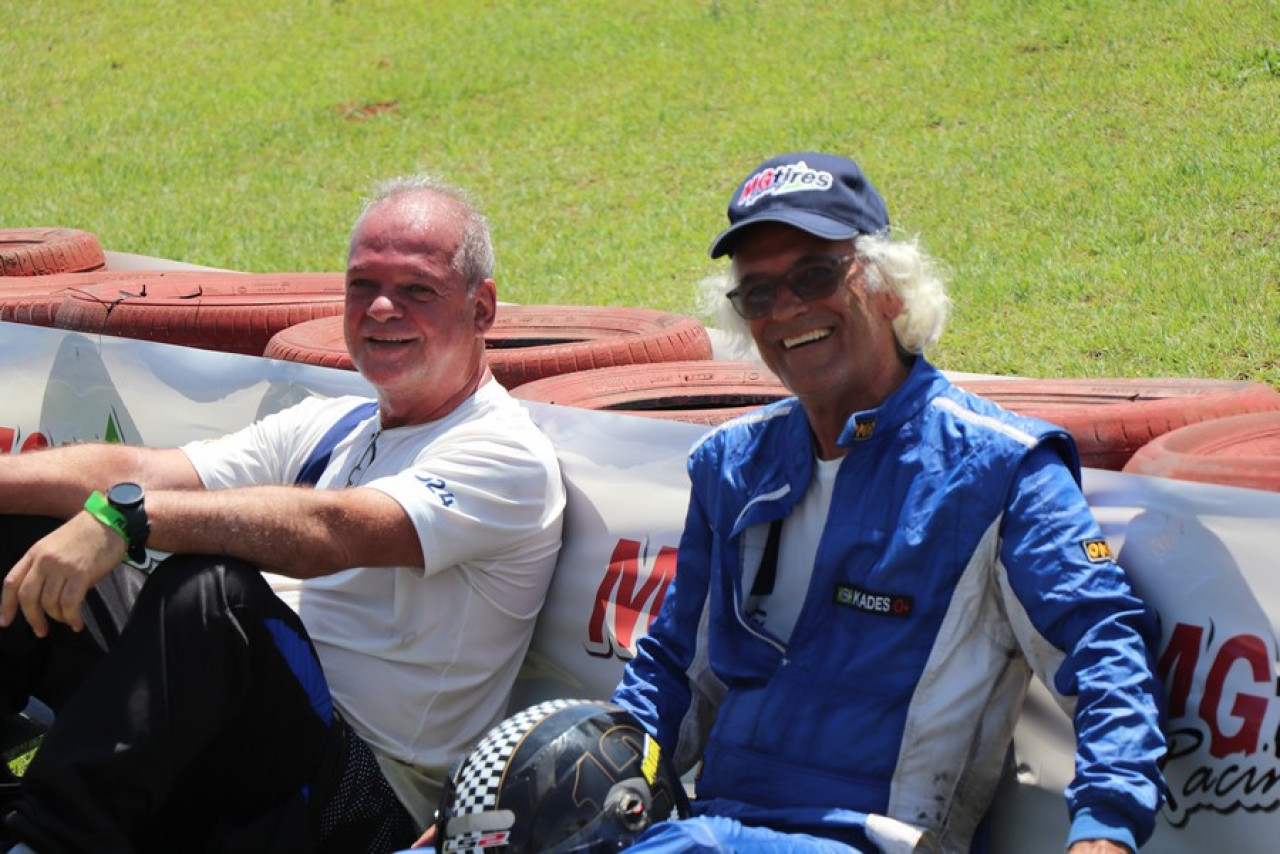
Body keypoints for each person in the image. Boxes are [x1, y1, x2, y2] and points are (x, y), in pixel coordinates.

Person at [611, 152, 1166, 853]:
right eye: (758, 293)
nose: (787, 309)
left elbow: (1104, 647)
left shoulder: (1002, 467)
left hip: (879, 839)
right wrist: (585, 777)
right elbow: (669, 670)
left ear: (889, 288)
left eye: (816, 275)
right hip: (710, 828)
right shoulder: (730, 464)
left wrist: (1106, 829)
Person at [0, 175, 566, 853]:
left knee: (214, 597)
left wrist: (124, 521)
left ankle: (43, 843)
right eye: (362, 285)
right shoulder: (336, 425)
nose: (382, 308)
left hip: (356, 803)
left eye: (418, 289)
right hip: (241, 736)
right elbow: (139, 472)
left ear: (482, 309)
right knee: (25, 530)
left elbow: (330, 533)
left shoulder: (506, 453)